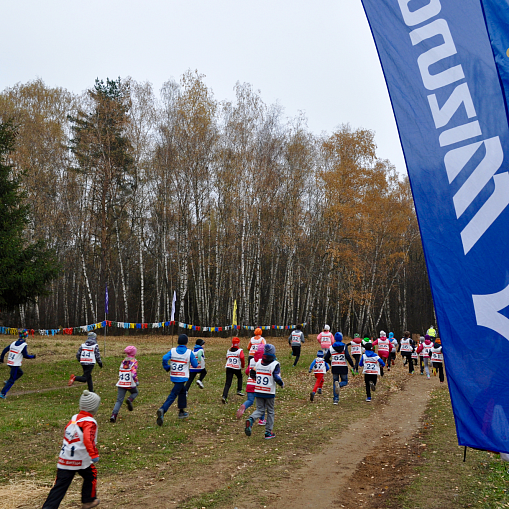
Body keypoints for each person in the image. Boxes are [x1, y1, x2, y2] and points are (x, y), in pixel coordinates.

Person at [41, 390, 101, 509]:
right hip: (80, 459)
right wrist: (94, 455)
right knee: (91, 475)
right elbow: (88, 439)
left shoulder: (74, 418)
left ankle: (48, 507)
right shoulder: (90, 422)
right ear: (94, 407)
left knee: (60, 486)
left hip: (65, 458)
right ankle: (88, 501)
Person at [156, 334, 198, 425]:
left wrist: (167, 367)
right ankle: (163, 409)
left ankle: (181, 412)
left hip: (174, 376)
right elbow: (195, 365)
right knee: (173, 394)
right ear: (186, 342)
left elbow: (164, 358)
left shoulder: (173, 351)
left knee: (182, 391)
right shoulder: (189, 352)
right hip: (182, 377)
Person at [245, 344, 284, 439]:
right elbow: (276, 377)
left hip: (258, 390)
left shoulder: (258, 363)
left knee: (260, 410)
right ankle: (268, 432)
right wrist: (281, 384)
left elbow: (252, 372)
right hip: (269, 391)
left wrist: (254, 378)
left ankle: (251, 418)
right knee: (270, 411)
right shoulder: (275, 364)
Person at [0, 330, 36, 399]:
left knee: (20, 373)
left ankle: (7, 382)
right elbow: (25, 355)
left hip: (10, 362)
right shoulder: (24, 345)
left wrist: (1, 358)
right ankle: (2, 393)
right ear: (25, 337)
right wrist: (33, 356)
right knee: (12, 380)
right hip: (15, 364)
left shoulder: (13, 343)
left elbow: (4, 350)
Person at [236, 343, 265, 426]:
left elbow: (246, 371)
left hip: (250, 383)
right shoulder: (262, 362)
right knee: (261, 403)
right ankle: (261, 420)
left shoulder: (252, 360)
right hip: (258, 384)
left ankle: (243, 406)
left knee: (250, 400)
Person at [110, 346, 139, 423]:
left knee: (119, 400)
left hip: (121, 382)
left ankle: (113, 415)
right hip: (130, 383)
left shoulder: (123, 361)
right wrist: (136, 381)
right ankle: (130, 399)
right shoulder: (134, 361)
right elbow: (133, 372)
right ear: (134, 353)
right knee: (135, 392)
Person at [324, 332, 355, 404]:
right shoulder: (344, 346)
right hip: (343, 366)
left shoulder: (331, 347)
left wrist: (330, 362)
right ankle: (340, 385)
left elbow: (326, 358)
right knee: (345, 381)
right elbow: (347, 356)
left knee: (335, 382)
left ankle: (335, 399)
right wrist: (352, 365)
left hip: (335, 367)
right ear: (341, 338)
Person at [222, 337, 245, 404]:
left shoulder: (228, 350)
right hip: (236, 367)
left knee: (228, 383)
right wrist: (243, 366)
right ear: (238, 343)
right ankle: (239, 390)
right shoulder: (240, 350)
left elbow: (227, 358)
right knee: (240, 377)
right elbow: (242, 358)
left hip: (229, 367)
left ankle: (224, 396)